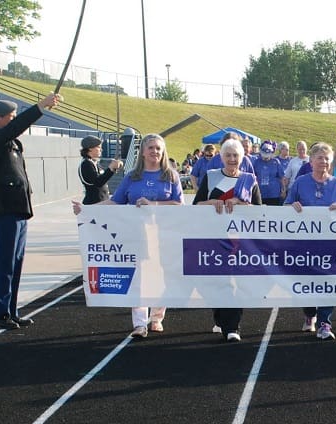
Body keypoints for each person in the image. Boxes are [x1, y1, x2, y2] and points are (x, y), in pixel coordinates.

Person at [72, 134, 184, 338]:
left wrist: (154, 205)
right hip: (136, 235)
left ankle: (157, 317)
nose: (155, 152)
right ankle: (140, 323)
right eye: (151, 148)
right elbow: (116, 202)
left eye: (158, 148)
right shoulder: (132, 176)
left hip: (163, 235)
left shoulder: (171, 176)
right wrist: (87, 209)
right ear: (142, 151)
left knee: (160, 276)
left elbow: (179, 205)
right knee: (139, 277)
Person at [0, 93, 61, 329]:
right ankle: (0, 313)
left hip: (19, 208)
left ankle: (11, 310)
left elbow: (13, 133)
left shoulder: (12, 143)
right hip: (4, 208)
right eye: (11, 117)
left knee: (16, 262)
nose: (14, 120)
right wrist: (39, 107)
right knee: (5, 262)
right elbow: (12, 130)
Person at [192, 139, 262, 342]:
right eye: (228, 155)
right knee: (217, 281)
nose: (232, 159)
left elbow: (260, 211)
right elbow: (196, 205)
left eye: (236, 156)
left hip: (240, 240)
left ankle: (233, 327)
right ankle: (221, 318)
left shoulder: (249, 179)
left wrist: (240, 203)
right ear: (221, 157)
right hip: (213, 237)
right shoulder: (211, 176)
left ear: (242, 158)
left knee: (235, 280)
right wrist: (211, 202)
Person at [284, 142, 336, 340]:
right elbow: (285, 206)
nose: (323, 161)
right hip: (304, 244)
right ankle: (309, 314)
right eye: (319, 157)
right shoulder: (300, 182)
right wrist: (292, 206)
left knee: (328, 283)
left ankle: (325, 323)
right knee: (307, 282)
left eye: (327, 158)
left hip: (330, 245)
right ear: (311, 160)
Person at [78, 135, 123, 205]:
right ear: (90, 148)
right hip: (94, 205)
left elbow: (102, 178)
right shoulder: (86, 164)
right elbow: (98, 182)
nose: (101, 150)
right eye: (99, 147)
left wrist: (114, 168)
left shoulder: (93, 163)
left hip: (100, 204)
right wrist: (110, 168)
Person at [253, 139, 287, 205]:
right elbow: (253, 176)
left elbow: (282, 177)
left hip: (274, 193)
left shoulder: (276, 162)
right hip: (260, 193)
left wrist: (284, 190)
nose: (265, 157)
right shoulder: (257, 162)